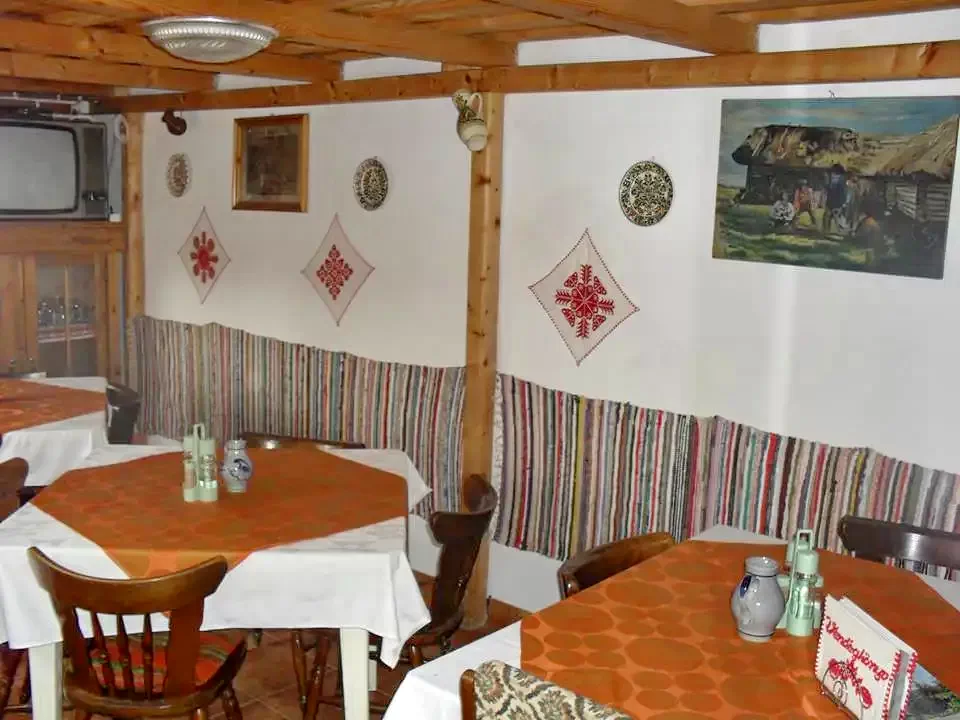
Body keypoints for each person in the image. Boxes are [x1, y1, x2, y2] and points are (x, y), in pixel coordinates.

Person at [823, 164, 847, 235]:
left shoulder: (840, 179)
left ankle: (837, 231)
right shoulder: (836, 178)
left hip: (836, 201)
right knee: (828, 216)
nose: (832, 173)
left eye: (833, 171)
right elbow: (829, 188)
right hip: (832, 200)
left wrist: (842, 202)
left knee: (833, 217)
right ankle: (827, 231)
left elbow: (841, 191)